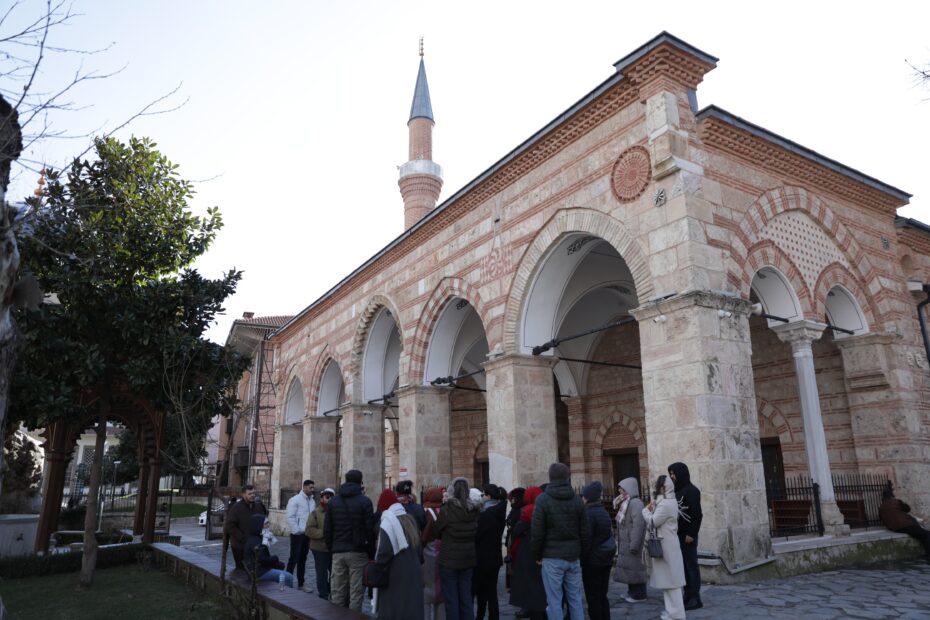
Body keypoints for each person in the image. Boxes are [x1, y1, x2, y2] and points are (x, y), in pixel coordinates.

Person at [531, 463, 589, 620]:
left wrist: (536, 555)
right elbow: (585, 532)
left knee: (554, 600)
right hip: (573, 557)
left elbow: (537, 533)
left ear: (550, 477)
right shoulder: (577, 500)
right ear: (567, 477)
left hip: (552, 557)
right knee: (575, 599)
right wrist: (581, 554)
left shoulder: (542, 500)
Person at [324, 469, 375, 612]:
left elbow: (327, 529)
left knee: (337, 591)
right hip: (358, 551)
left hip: (338, 550)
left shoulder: (333, 502)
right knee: (356, 592)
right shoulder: (365, 501)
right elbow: (369, 530)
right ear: (360, 482)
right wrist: (370, 552)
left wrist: (331, 548)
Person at [373, 489, 425, 620]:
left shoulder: (387, 522)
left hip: (396, 572)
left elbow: (384, 552)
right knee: (411, 608)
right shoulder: (410, 518)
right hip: (413, 569)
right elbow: (419, 547)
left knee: (395, 608)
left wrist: (377, 566)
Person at [431, 476, 479, 620]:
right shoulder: (474, 510)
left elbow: (436, 532)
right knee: (466, 598)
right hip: (468, 558)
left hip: (449, 560)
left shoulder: (446, 510)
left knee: (451, 600)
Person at [643, 475, 686, 620]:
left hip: (667, 545)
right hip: (667, 544)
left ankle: (677, 614)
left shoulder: (666, 504)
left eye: (658, 486)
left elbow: (653, 522)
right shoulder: (666, 502)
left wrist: (645, 511)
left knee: (672, 582)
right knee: (668, 581)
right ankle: (671, 612)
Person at [668, 462, 702, 610]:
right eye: (670, 474)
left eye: (674, 474)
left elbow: (697, 514)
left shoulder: (692, 491)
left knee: (691, 566)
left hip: (687, 536)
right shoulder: (676, 491)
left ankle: (695, 597)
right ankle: (687, 594)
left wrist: (691, 534)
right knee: (683, 567)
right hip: (678, 534)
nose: (672, 476)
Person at [508, 486, 546, 620]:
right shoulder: (545, 507)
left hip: (528, 551)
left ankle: (534, 611)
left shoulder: (528, 510)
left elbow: (517, 530)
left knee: (531, 585)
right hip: (544, 552)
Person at [581, 482, 614, 620]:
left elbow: (587, 540)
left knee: (593, 596)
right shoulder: (603, 511)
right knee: (602, 594)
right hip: (605, 558)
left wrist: (582, 559)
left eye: (583, 496)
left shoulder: (588, 513)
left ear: (588, 497)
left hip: (593, 561)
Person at [475, 483, 507, 620]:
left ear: (488, 496)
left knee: (482, 591)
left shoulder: (486, 515)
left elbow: (477, 535)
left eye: (483, 494)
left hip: (483, 557)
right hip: (495, 556)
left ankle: (480, 616)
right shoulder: (499, 511)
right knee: (492, 591)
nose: (482, 497)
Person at [613, 477, 647, 603]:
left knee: (636, 570)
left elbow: (638, 525)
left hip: (633, 543)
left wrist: (634, 544)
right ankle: (631, 592)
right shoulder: (626, 502)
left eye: (622, 489)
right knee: (630, 569)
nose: (620, 491)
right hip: (627, 542)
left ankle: (639, 595)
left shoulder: (636, 503)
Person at [879, 486, 930, 562]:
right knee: (926, 534)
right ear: (892, 495)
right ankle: (928, 555)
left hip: (895, 528)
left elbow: (881, 518)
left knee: (922, 534)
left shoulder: (881, 507)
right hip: (907, 524)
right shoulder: (896, 502)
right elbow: (907, 509)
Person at [225, 484, 268, 571]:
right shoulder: (236, 508)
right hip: (239, 546)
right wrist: (243, 538)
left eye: (254, 493)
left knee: (255, 570)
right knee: (241, 571)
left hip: (256, 546)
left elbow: (264, 522)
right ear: (243, 494)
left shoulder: (258, 507)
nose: (252, 495)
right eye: (250, 494)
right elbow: (230, 525)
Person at [244, 515, 295, 587]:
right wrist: (275, 558)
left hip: (260, 570)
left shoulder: (257, 538)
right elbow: (263, 559)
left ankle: (282, 591)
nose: (268, 525)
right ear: (258, 525)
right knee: (288, 577)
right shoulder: (255, 541)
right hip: (258, 573)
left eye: (268, 523)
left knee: (282, 571)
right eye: (266, 523)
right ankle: (284, 593)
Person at [286, 479, 316, 590]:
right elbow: (290, 516)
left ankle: (301, 584)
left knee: (303, 559)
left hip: (307, 534)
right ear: (304, 487)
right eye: (310, 487)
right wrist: (297, 530)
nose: (312, 489)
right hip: (297, 534)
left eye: (313, 487)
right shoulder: (295, 500)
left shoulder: (312, 501)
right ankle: (287, 582)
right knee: (293, 558)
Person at [422, 486, 447, 620]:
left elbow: (425, 534)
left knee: (426, 592)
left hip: (429, 552)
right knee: (440, 591)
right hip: (443, 552)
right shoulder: (444, 511)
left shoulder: (427, 512)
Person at [306, 487, 335, 600]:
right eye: (327, 497)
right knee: (322, 573)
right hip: (319, 548)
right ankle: (323, 595)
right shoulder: (315, 513)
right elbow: (309, 530)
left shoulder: (337, 512)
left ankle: (332, 592)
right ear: (322, 498)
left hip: (333, 548)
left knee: (334, 573)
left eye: (331, 497)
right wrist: (325, 533)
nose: (329, 499)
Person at [504, 487, 525, 590]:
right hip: (513, 538)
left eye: (512, 498)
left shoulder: (518, 509)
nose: (511, 500)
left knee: (514, 562)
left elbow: (511, 521)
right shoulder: (516, 508)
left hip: (516, 539)